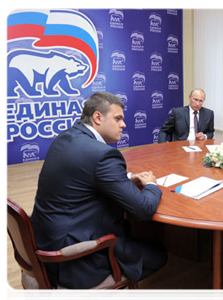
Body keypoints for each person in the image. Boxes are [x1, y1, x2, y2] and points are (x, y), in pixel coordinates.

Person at [31, 92, 167, 292]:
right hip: (73, 259)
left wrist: (127, 178)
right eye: (118, 118)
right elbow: (143, 210)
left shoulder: (66, 137)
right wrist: (151, 185)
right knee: (160, 254)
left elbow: (84, 175)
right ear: (97, 117)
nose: (124, 125)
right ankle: (106, 289)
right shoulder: (103, 154)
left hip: (46, 241)